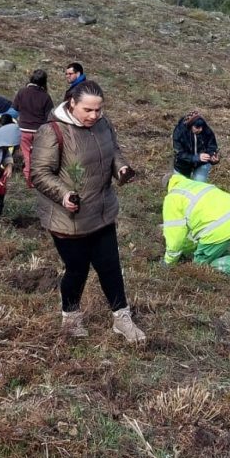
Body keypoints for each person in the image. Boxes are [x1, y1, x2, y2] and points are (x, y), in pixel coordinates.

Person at [31, 81, 145, 343]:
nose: (94, 115)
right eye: (88, 110)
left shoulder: (103, 124)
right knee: (77, 269)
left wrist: (121, 169)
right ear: (72, 104)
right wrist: (64, 195)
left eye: (98, 109)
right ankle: (71, 318)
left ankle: (122, 319)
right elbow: (40, 172)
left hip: (102, 210)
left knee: (110, 267)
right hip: (69, 218)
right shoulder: (52, 131)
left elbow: (113, 151)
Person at [162, 170, 230, 276]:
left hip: (219, 227)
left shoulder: (172, 198)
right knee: (213, 249)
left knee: (199, 266)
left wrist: (168, 262)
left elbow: (175, 238)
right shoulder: (194, 184)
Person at [12, 67, 54, 188]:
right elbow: (50, 116)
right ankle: (39, 178)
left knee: (27, 156)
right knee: (38, 156)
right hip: (39, 131)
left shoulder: (22, 92)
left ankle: (29, 180)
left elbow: (14, 109)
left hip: (24, 130)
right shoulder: (46, 97)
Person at [172, 111, 219, 183]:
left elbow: (212, 146)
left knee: (199, 184)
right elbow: (179, 153)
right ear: (190, 126)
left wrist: (212, 156)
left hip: (202, 164)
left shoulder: (207, 130)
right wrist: (196, 158)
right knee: (180, 185)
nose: (200, 129)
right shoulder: (179, 132)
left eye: (201, 127)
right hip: (182, 164)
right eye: (197, 127)